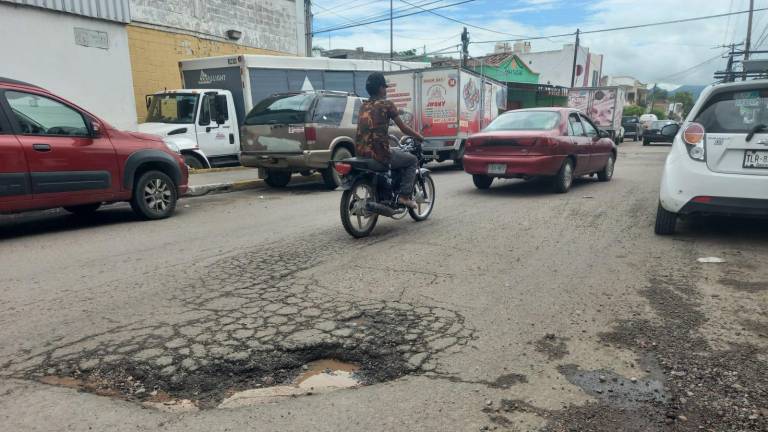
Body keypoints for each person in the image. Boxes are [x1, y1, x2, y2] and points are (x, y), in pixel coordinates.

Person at [355, 72, 424, 209]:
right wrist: (419, 136)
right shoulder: (387, 105)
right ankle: (404, 197)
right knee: (412, 160)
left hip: (361, 152)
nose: (386, 90)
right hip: (379, 153)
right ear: (381, 88)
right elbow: (403, 128)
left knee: (396, 154)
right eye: (385, 87)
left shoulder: (364, 105)